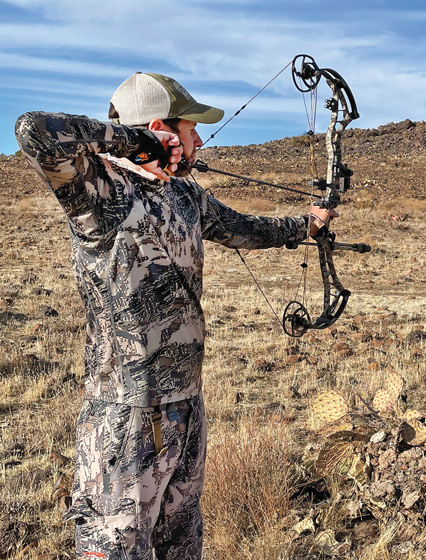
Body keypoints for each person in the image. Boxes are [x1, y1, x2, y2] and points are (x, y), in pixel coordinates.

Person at [14, 72, 336, 559]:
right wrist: (136, 141)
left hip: (186, 403)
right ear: (162, 128)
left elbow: (243, 229)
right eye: (190, 129)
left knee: (180, 543)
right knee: (118, 547)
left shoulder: (185, 195)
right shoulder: (95, 189)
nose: (200, 139)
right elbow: (31, 129)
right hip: (127, 413)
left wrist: (305, 225)